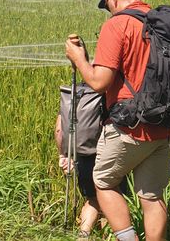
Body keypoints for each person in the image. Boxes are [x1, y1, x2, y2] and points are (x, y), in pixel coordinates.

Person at [65, 0, 170, 241]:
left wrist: (78, 58)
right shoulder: (163, 23)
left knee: (103, 182)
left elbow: (98, 82)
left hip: (130, 127)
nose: (109, 11)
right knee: (151, 197)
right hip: (165, 126)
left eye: (107, 5)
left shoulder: (118, 25)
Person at [54, 85, 128, 240]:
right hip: (108, 152)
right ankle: (108, 237)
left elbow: (60, 129)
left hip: (83, 154)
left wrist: (63, 154)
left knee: (92, 199)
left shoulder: (76, 93)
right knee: (112, 197)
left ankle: (83, 236)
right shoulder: (111, 93)